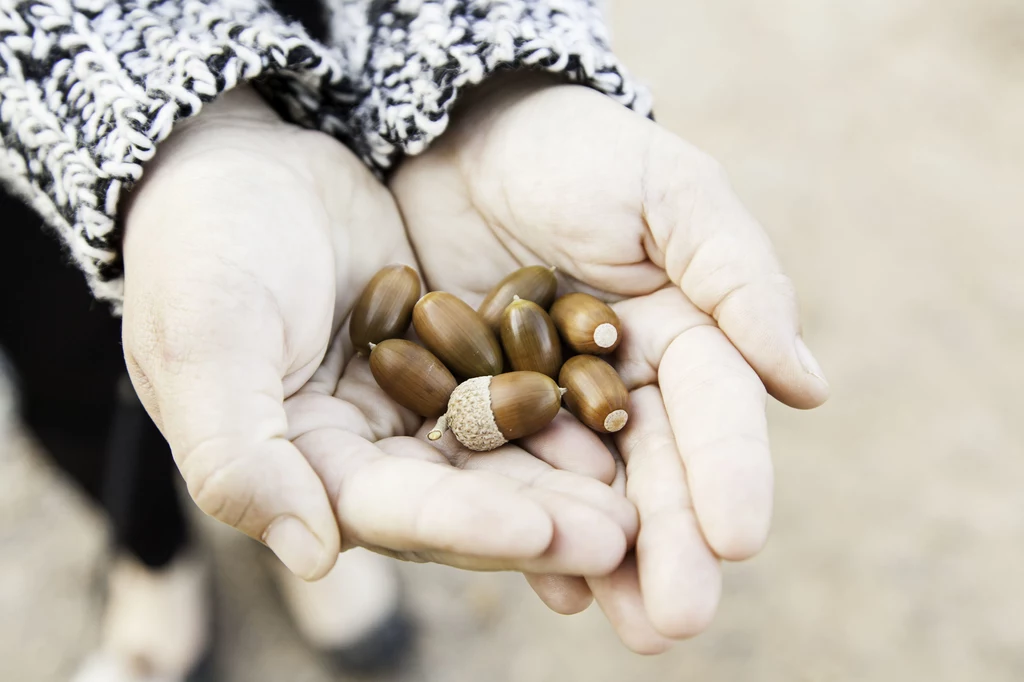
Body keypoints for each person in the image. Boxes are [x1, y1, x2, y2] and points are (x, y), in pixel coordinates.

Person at [0, 0, 830, 679]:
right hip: (31, 132)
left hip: (311, 65)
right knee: (75, 372)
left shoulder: (514, 349)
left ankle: (306, 547)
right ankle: (149, 554)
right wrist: (181, 133)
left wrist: (488, 75)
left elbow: (523, 364)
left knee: (277, 412)